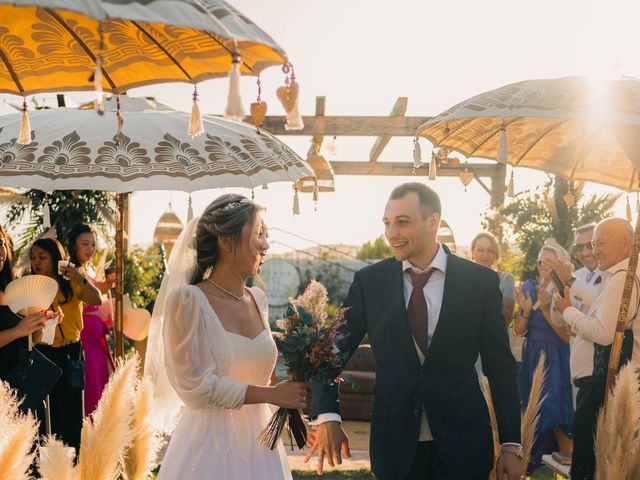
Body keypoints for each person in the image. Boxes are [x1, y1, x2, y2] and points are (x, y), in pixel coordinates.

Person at [306, 183, 523, 480]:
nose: (391, 233)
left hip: (464, 445)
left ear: (433, 222)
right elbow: (331, 352)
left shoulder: (480, 283)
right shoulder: (370, 283)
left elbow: (500, 367)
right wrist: (328, 415)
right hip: (395, 446)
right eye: (387, 222)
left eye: (402, 222)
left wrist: (511, 444)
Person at [146, 194, 306, 480]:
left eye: (266, 235)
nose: (266, 245)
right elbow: (195, 386)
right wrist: (271, 394)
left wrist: (289, 408)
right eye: (258, 235)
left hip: (261, 447)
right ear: (227, 242)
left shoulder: (258, 299)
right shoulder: (188, 300)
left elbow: (261, 376)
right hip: (209, 449)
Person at [554, 218, 640, 480]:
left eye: (601, 244)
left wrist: (567, 311)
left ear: (627, 244)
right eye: (593, 244)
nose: (594, 251)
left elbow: (605, 333)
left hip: (605, 385)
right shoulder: (619, 276)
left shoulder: (625, 277)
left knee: (589, 466)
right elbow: (605, 314)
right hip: (599, 383)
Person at [31, 237, 102, 454]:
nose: (37, 263)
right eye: (33, 258)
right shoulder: (31, 286)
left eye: (42, 257)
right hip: (42, 353)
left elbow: (96, 299)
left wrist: (80, 277)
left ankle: (72, 463)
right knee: (45, 415)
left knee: (72, 412)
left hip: (71, 352)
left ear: (55, 258)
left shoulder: (70, 282)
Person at [513, 243, 573, 473]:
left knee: (555, 412)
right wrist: (525, 311)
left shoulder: (566, 290)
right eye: (541, 262)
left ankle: (565, 465)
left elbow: (566, 337)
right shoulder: (529, 286)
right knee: (530, 416)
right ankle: (530, 467)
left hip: (556, 359)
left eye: (550, 262)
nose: (544, 266)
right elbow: (518, 331)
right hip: (531, 359)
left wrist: (547, 308)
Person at [68, 223, 116, 416]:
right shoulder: (71, 272)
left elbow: (95, 299)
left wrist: (105, 287)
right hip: (84, 344)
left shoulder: (88, 270)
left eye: (93, 244)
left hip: (98, 343)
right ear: (74, 245)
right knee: (90, 397)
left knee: (101, 395)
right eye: (85, 244)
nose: (90, 249)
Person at [0, 226, 52, 379]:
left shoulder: (12, 290)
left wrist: (38, 323)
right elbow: (18, 332)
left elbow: (30, 342)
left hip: (16, 383)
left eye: (0, 242)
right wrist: (17, 331)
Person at [471, 232, 516, 324]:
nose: (485, 255)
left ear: (496, 254)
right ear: (472, 252)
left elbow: (506, 319)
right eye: (480, 250)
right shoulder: (464, 279)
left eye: (490, 250)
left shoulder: (506, 279)